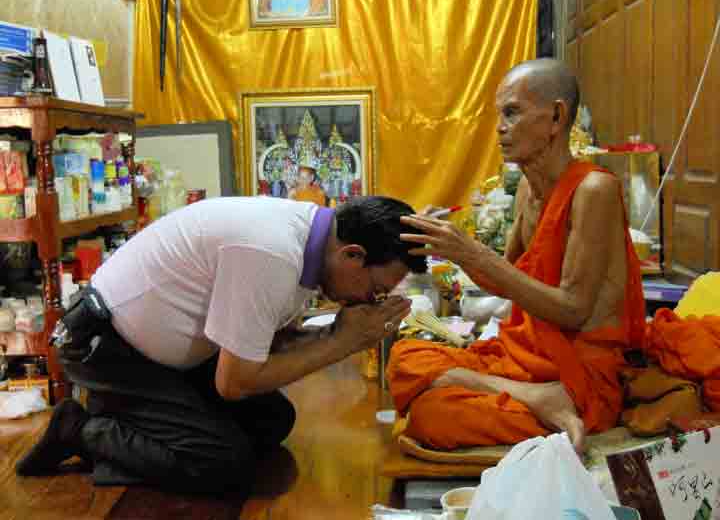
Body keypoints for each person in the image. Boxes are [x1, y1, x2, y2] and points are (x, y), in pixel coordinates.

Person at [17, 195, 426, 494]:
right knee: (223, 463)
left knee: (271, 420)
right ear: (353, 255)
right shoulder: (272, 253)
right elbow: (234, 383)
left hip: (170, 350)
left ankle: (140, 421)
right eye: (375, 288)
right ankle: (83, 429)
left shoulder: (310, 240)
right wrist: (342, 342)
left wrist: (331, 334)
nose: (371, 299)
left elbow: (268, 343)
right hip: (108, 348)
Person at [388, 58, 646, 453]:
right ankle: (538, 399)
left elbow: (574, 309)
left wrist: (473, 252)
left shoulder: (594, 190)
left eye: (512, 113)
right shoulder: (528, 190)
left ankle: (549, 399)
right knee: (404, 357)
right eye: (499, 115)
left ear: (556, 117)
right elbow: (505, 279)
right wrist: (451, 247)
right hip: (526, 361)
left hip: (577, 371)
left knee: (433, 415)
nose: (500, 127)